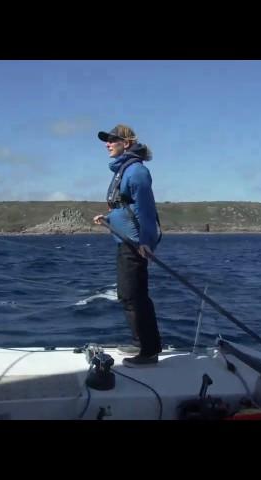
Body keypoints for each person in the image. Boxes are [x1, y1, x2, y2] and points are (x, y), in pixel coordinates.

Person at [93, 124, 162, 367]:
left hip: (135, 244)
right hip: (126, 240)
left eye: (113, 140)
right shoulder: (124, 170)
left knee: (134, 296)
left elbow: (146, 210)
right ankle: (140, 341)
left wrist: (146, 243)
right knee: (127, 295)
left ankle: (149, 351)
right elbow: (126, 207)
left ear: (128, 143)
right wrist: (108, 218)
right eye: (107, 140)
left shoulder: (136, 172)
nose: (107, 144)